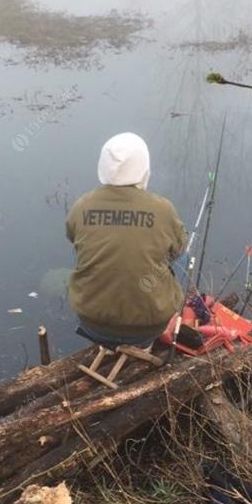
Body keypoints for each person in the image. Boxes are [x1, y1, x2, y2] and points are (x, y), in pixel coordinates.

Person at [66, 132, 187, 349]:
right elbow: (178, 249)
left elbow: (73, 237)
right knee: (176, 261)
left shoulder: (81, 206)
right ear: (144, 168)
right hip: (148, 327)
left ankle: (106, 344)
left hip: (92, 321)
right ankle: (144, 345)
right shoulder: (163, 209)